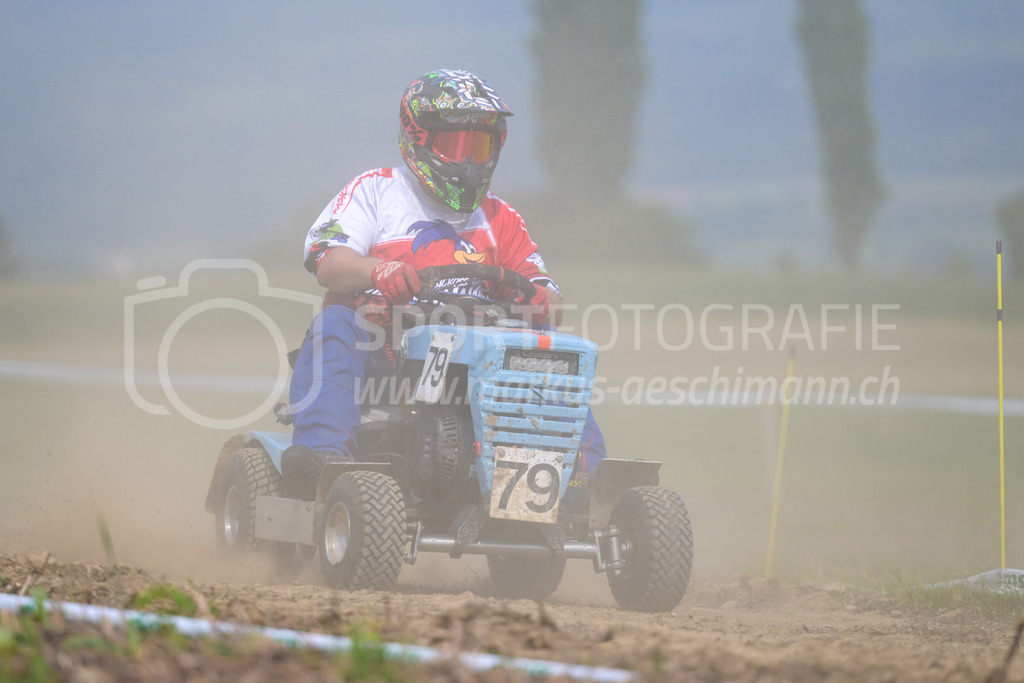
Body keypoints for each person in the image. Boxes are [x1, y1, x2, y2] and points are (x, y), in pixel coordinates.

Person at [282, 68, 605, 501]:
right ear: (417, 139)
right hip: (385, 352)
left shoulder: (499, 217)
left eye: (481, 146)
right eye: (455, 146)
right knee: (338, 322)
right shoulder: (376, 192)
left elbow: (550, 299)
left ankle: (587, 482)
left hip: (477, 363)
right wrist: (377, 271)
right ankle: (321, 458)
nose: (470, 162)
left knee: (547, 353)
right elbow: (328, 261)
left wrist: (535, 298)